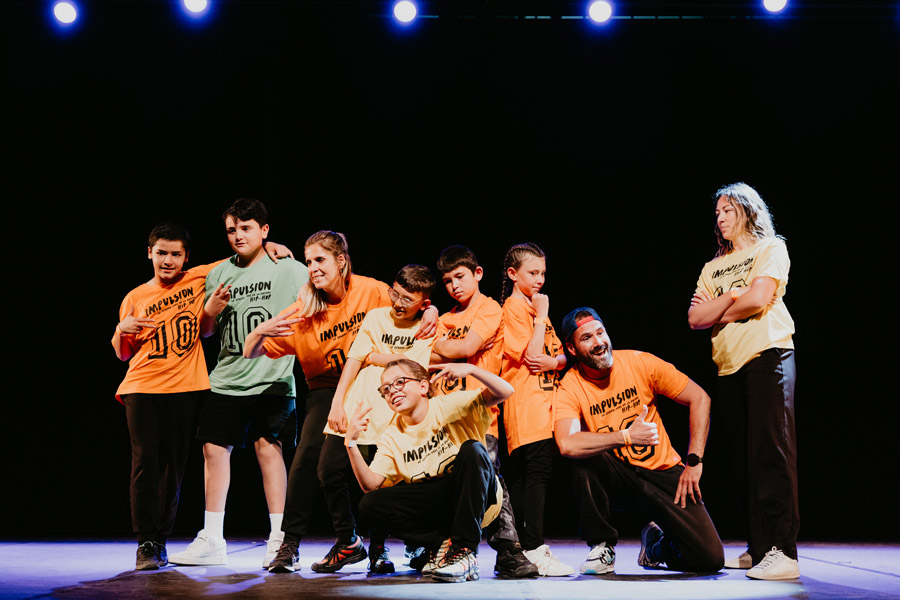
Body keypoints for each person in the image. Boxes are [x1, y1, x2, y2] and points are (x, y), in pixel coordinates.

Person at [243, 231, 438, 574]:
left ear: (341, 261)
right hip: (326, 389)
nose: (313, 268)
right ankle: (294, 544)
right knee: (308, 460)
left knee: (383, 461)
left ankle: (388, 545)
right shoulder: (303, 308)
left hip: (374, 384)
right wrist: (260, 332)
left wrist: (432, 310)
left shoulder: (371, 290)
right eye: (309, 262)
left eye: (320, 260)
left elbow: (409, 300)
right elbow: (250, 352)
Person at [169, 199, 308, 569]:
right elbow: (207, 332)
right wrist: (209, 311)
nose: (237, 236)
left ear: (264, 230)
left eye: (246, 228)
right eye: (231, 230)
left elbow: (321, 300)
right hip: (227, 377)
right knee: (213, 450)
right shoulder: (219, 273)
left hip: (272, 377)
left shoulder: (289, 268)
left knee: (269, 450)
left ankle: (279, 539)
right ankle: (212, 538)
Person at [553, 307, 725, 575]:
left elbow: (699, 398)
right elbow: (567, 443)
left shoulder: (639, 362)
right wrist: (626, 437)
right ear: (572, 349)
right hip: (619, 478)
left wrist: (694, 461)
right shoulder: (570, 386)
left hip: (662, 472)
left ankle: (655, 548)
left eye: (600, 333)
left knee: (711, 559)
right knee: (582, 456)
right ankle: (602, 546)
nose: (598, 342)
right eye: (587, 338)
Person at [688, 182, 799, 580]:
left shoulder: (771, 248)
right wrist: (734, 296)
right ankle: (760, 548)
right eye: (717, 212)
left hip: (768, 353)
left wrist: (726, 306)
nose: (720, 218)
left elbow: (758, 299)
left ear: (749, 211)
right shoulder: (712, 267)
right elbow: (695, 319)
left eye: (728, 210)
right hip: (729, 365)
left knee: (772, 453)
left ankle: (783, 552)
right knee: (747, 460)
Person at [345, 359, 514, 583]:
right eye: (386, 389)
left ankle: (465, 552)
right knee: (370, 504)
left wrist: (472, 370)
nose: (392, 391)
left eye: (400, 382)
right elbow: (370, 484)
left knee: (472, 450)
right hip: (439, 508)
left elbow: (505, 391)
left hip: (479, 498)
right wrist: (351, 443)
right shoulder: (392, 435)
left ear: (423, 386)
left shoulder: (448, 405)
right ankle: (441, 545)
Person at [320, 263, 438, 574]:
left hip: (392, 416)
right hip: (357, 407)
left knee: (381, 486)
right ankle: (348, 540)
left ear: (424, 303)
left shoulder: (426, 327)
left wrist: (375, 355)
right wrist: (337, 402)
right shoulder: (375, 317)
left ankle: (378, 548)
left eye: (407, 299)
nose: (397, 303)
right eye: (394, 294)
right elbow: (354, 360)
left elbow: (411, 367)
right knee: (328, 471)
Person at [431, 245, 537, 579]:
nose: (454, 286)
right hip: (446, 416)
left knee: (489, 478)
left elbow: (466, 347)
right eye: (447, 281)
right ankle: (445, 548)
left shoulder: (490, 308)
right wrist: (446, 348)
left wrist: (446, 348)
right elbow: (425, 355)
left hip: (480, 414)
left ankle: (508, 551)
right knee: (448, 482)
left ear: (478, 273)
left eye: (460, 276)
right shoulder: (444, 318)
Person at [113, 222, 214, 571]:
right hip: (141, 388)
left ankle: (161, 540)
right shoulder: (135, 296)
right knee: (145, 463)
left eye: (175, 254)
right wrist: (121, 329)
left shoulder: (197, 279)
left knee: (173, 467)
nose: (168, 260)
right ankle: (146, 542)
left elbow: (239, 259)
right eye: (161, 253)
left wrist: (270, 245)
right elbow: (123, 354)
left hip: (184, 387)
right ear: (149, 253)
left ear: (186, 257)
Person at [497, 242, 572, 576]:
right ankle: (533, 547)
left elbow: (557, 355)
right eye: (532, 273)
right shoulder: (515, 308)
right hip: (526, 404)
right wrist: (541, 316)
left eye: (542, 272)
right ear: (513, 274)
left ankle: (524, 547)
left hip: (547, 403)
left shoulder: (534, 306)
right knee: (534, 474)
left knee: (534, 474)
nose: (540, 279)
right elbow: (530, 356)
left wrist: (555, 361)